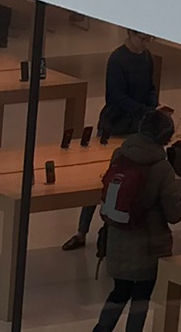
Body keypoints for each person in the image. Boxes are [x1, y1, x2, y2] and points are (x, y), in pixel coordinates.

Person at [86, 107, 181, 332]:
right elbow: (175, 214)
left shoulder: (121, 154)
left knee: (118, 293)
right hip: (148, 244)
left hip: (118, 237)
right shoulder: (161, 167)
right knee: (140, 300)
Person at [61, 101, 145, 250]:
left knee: (121, 186)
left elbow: (149, 92)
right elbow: (117, 96)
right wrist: (143, 109)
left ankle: (108, 231)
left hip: (134, 127)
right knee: (96, 180)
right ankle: (82, 232)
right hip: (114, 125)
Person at [103, 28, 157, 124]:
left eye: (149, 39)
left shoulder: (147, 56)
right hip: (118, 120)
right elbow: (117, 97)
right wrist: (143, 110)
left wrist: (154, 107)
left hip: (140, 118)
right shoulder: (117, 59)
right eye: (142, 39)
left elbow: (150, 88)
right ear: (130, 33)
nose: (145, 43)